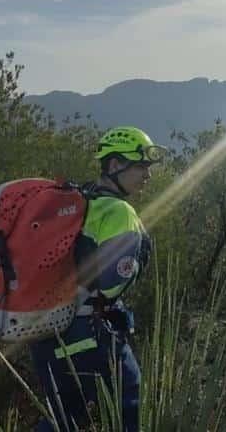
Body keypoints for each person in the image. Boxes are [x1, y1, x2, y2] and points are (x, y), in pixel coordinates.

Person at [29, 126, 166, 432]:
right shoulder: (119, 211)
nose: (147, 175)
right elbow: (111, 283)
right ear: (115, 165)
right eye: (141, 166)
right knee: (131, 407)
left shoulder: (76, 203)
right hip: (88, 336)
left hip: (45, 334)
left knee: (63, 420)